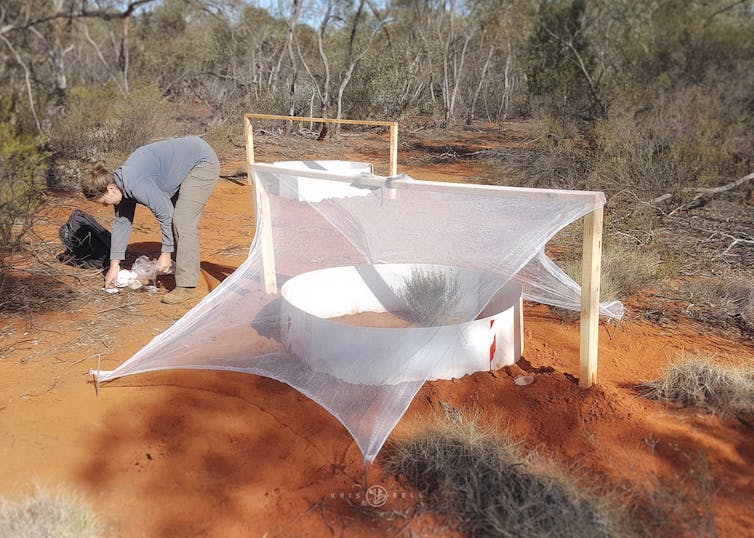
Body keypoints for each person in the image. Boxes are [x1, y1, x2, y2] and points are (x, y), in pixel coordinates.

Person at [81, 135, 220, 304]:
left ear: (110, 189)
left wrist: (166, 253)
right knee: (177, 218)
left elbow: (165, 212)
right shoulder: (120, 187)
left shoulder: (135, 183)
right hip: (180, 167)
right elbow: (122, 224)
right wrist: (114, 266)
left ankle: (187, 286)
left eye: (103, 202)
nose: (104, 206)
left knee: (182, 221)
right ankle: (177, 263)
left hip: (200, 162)